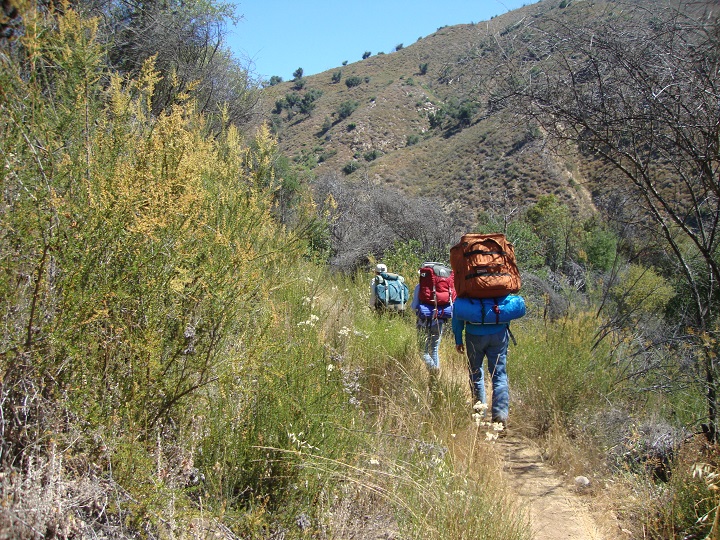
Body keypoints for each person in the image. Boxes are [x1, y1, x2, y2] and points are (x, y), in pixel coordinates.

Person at [452, 317, 510, 428]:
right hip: (499, 332)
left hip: (474, 333)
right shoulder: (497, 297)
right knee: (499, 376)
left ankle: (479, 413)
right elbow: (507, 310)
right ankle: (500, 415)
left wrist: (458, 339)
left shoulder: (469, 297)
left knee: (475, 373)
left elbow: (458, 314)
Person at [411, 283, 445, 374]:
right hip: (438, 322)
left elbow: (414, 306)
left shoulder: (420, 286)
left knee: (423, 351)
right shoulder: (442, 286)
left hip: (423, 322)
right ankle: (435, 378)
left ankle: (433, 368)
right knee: (434, 349)